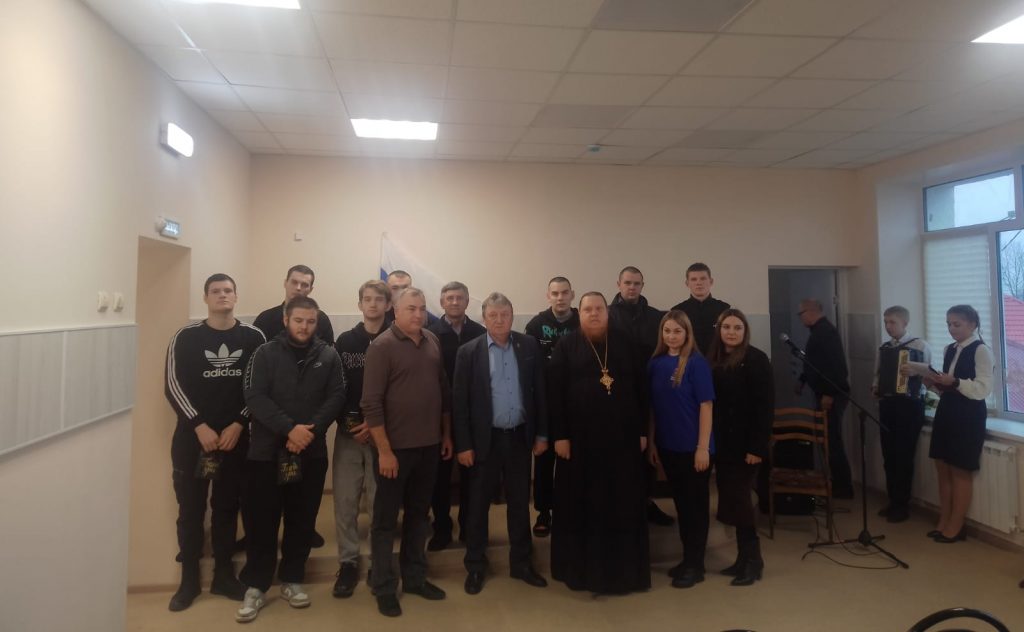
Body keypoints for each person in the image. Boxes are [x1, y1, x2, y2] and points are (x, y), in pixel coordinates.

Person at [236, 296, 346, 623]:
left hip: (310, 453)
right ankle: (256, 585)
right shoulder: (264, 353)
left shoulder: (329, 356)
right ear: (286, 320)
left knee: (302, 520)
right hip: (266, 455)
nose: (304, 327)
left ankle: (292, 579)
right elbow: (254, 396)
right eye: (299, 320)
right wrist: (289, 429)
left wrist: (308, 432)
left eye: (310, 321)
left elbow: (337, 396)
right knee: (262, 522)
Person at [163, 274, 266, 612]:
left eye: (228, 290)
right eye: (216, 291)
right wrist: (199, 425)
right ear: (205, 297)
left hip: (235, 439)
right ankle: (189, 580)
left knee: (226, 507)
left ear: (236, 296)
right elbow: (173, 385)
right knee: (191, 510)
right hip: (193, 440)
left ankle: (223, 575)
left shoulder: (254, 337)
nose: (222, 295)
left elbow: (260, 386)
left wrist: (239, 422)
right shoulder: (186, 337)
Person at [548, 292, 651, 594]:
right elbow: (554, 394)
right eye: (588, 309)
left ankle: (623, 573)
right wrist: (560, 435)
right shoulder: (566, 345)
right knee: (581, 504)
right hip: (579, 443)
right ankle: (581, 571)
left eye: (599, 309)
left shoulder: (626, 344)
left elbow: (641, 390)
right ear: (579, 314)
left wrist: (642, 431)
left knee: (621, 502)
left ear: (608, 313)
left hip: (622, 441)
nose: (593, 314)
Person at [361, 288, 453, 617]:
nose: (418, 314)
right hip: (394, 451)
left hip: (428, 447)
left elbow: (443, 391)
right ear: (395, 312)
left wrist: (445, 434)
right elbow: (371, 403)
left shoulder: (432, 340)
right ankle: (384, 585)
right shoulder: (381, 347)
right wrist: (384, 451)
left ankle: (414, 578)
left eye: (422, 308)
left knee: (418, 516)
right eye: (411, 308)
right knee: (385, 522)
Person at [453, 292, 549, 595]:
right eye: (493, 315)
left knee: (519, 503)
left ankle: (521, 563)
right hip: (484, 441)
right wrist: (463, 445)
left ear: (512, 316)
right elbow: (460, 403)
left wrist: (542, 434)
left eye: (504, 315)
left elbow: (540, 392)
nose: (499, 320)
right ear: (484, 319)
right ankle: (475, 565)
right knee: (478, 505)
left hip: (519, 437)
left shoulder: (528, 345)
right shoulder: (469, 352)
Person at [647, 311, 715, 589]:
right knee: (682, 506)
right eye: (667, 331)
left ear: (687, 333)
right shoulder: (655, 363)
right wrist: (653, 442)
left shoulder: (697, 363)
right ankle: (688, 559)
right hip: (668, 446)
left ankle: (696, 565)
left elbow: (706, 406)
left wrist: (702, 447)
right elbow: (652, 408)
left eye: (677, 331)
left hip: (693, 448)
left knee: (695, 509)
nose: (672, 336)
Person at [330, 280, 390, 598]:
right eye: (367, 299)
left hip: (384, 434)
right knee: (345, 501)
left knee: (381, 501)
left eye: (379, 299)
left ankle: (379, 561)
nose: (373, 304)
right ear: (360, 304)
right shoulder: (345, 341)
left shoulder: (396, 338)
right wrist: (349, 421)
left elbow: (399, 388)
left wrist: (376, 423)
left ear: (388, 305)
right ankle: (348, 562)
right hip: (349, 433)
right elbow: (336, 387)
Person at [707, 308, 773, 586]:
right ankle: (742, 559)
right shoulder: (714, 358)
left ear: (745, 331)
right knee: (732, 501)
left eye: (737, 328)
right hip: (723, 444)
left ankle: (754, 561)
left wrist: (757, 447)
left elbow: (764, 407)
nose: (731, 332)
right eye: (727, 327)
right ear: (719, 329)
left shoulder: (756, 359)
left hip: (747, 446)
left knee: (742, 502)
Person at [608, 265, 675, 527]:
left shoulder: (657, 317)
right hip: (617, 394)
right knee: (620, 452)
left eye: (637, 283)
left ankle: (646, 502)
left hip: (650, 392)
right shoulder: (607, 315)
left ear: (642, 286)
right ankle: (621, 506)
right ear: (619, 284)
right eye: (627, 283)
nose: (632, 287)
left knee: (648, 450)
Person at [920, 305, 993, 543]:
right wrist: (934, 383)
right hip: (947, 410)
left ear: (972, 324)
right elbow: (949, 388)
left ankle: (956, 525)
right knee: (942, 467)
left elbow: (982, 389)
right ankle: (944, 520)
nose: (951, 329)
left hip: (968, 415)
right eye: (949, 324)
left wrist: (955, 382)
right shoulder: (949, 349)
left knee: (960, 470)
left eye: (957, 324)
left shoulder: (981, 350)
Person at [426, 281, 486, 551]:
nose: (454, 302)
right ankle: (441, 528)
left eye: (459, 298)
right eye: (449, 298)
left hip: (473, 415)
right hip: (439, 415)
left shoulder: (480, 333)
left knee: (471, 476)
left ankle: (468, 526)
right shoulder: (430, 334)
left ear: (467, 301)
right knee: (439, 477)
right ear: (441, 302)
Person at [524, 276, 578, 538]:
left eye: (564, 293)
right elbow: (528, 364)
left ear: (572, 295)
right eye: (555, 293)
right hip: (544, 402)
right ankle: (543, 512)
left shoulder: (582, 321)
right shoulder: (536, 325)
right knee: (544, 460)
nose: (560, 297)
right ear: (548, 296)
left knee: (573, 461)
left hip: (576, 403)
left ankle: (570, 509)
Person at [872, 306, 932, 524]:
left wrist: (916, 371)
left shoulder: (920, 345)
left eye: (892, 322)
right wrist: (876, 387)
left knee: (904, 455)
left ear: (905, 323)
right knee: (889, 455)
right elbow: (878, 373)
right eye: (886, 322)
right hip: (888, 404)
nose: (888, 326)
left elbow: (930, 374)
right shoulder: (885, 348)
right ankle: (892, 500)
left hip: (910, 405)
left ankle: (902, 504)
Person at [795, 298, 854, 499]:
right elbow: (815, 363)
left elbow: (837, 367)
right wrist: (803, 380)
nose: (800, 318)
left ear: (810, 311)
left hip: (832, 394)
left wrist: (829, 393)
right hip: (823, 392)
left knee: (832, 440)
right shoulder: (817, 332)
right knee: (826, 439)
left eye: (801, 314)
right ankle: (834, 482)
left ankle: (842, 486)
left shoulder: (826, 333)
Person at [253, 264, 335, 347]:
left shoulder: (321, 319)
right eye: (294, 282)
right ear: (285, 283)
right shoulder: (265, 319)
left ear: (310, 289)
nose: (298, 288)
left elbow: (328, 353)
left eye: (304, 285)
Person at [671, 262, 730, 355]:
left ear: (711, 281)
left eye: (703, 278)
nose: (699, 283)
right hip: (688, 359)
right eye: (693, 279)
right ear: (687, 283)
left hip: (718, 359)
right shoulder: (678, 311)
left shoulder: (724, 309)